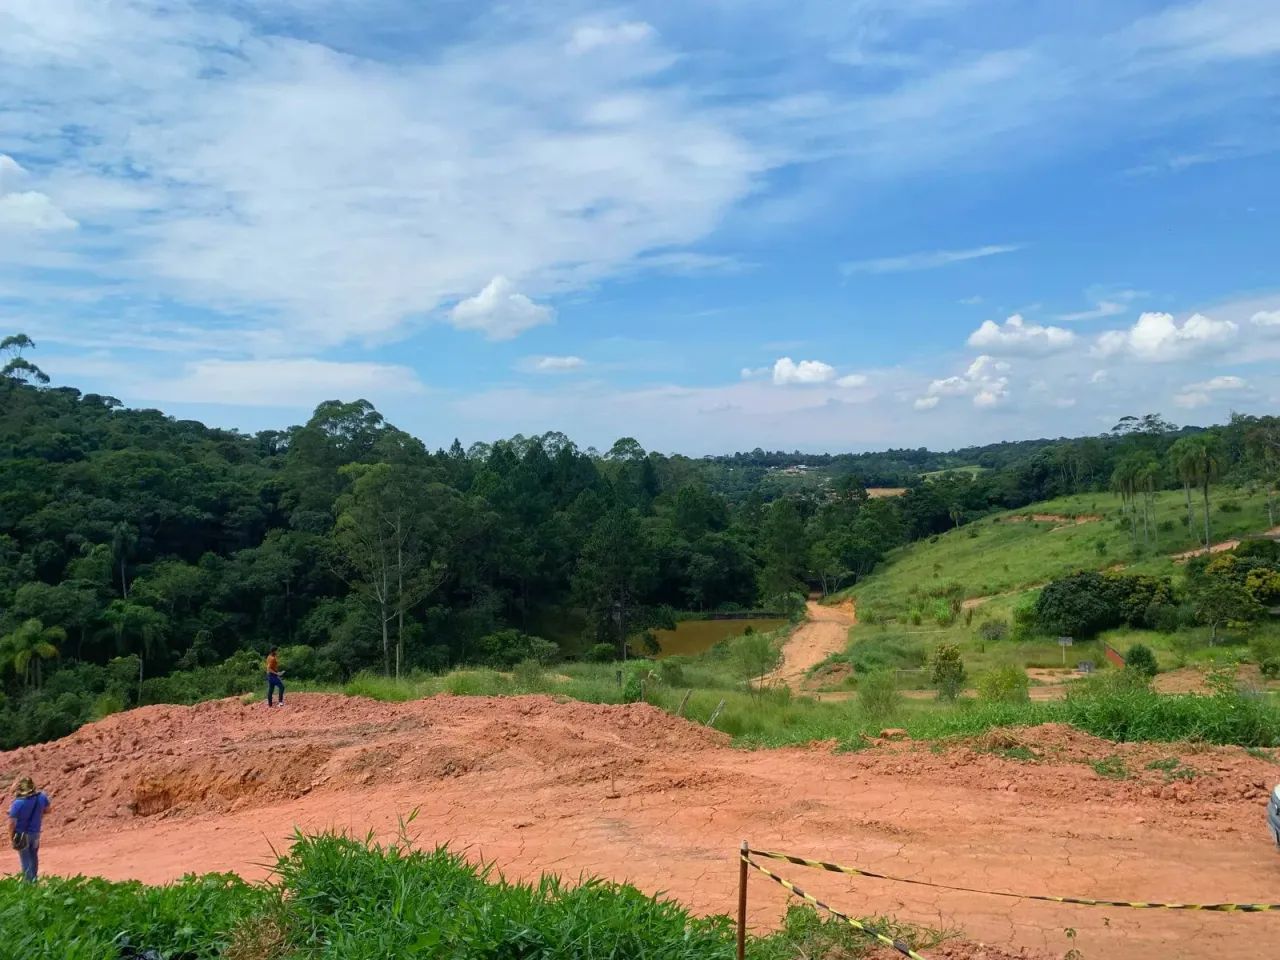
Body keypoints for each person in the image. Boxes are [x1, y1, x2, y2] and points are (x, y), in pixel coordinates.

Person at [8, 777, 50, 882]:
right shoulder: (42, 797)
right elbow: (48, 810)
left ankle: (28, 883)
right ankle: (34, 879)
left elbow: (11, 823)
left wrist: (11, 837)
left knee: (25, 859)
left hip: (21, 834)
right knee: (34, 856)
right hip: (35, 833)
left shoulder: (17, 803)